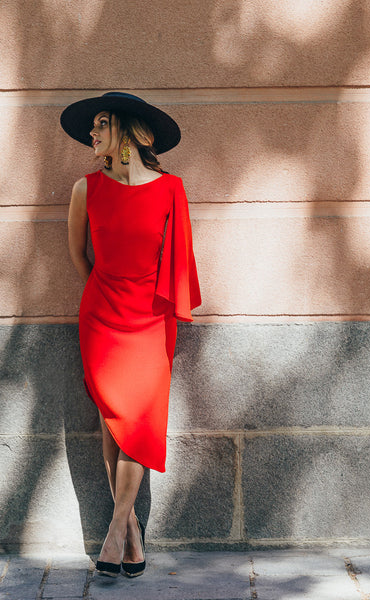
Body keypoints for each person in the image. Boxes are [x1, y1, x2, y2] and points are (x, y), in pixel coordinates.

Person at [60, 92, 201, 578]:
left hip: (149, 321)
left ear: (128, 133)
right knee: (113, 424)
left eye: (101, 125)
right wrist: (103, 293)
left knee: (137, 427)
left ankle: (118, 528)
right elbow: (79, 254)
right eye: (92, 128)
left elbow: (177, 260)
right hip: (101, 319)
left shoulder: (170, 189)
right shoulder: (87, 188)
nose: (92, 135)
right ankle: (132, 535)